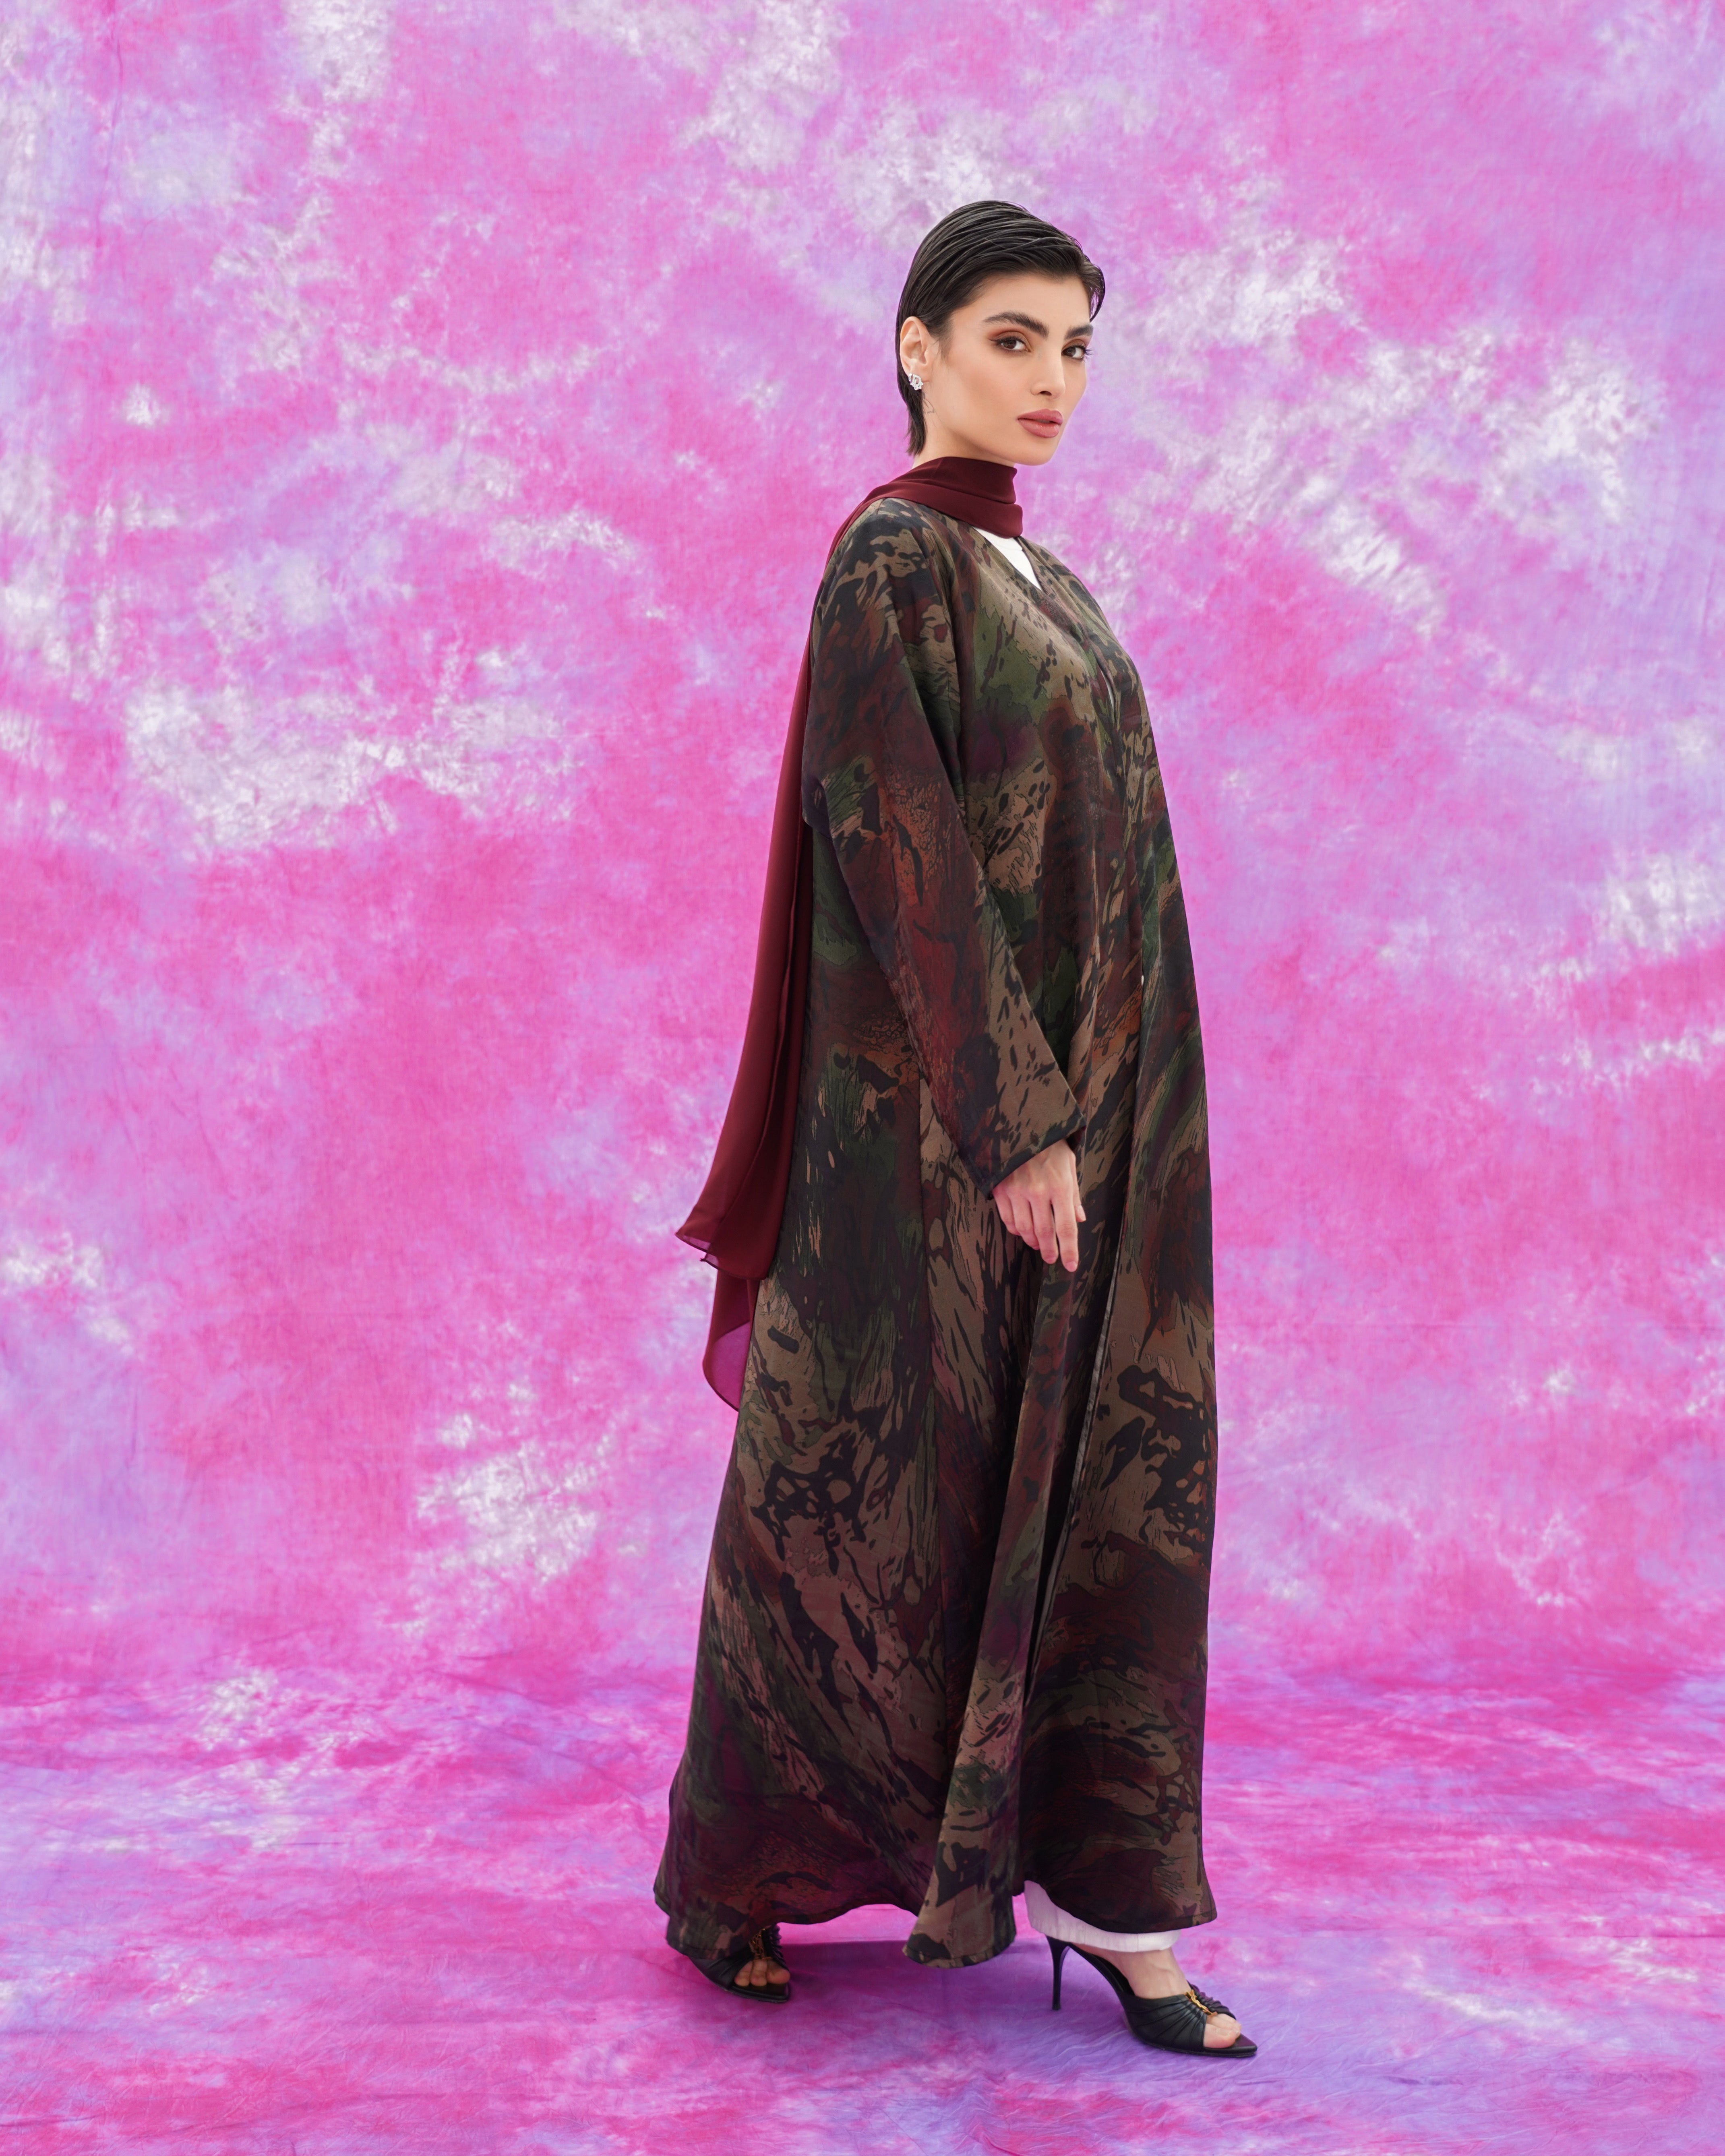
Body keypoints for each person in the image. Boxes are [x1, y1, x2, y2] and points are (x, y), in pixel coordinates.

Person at [654, 201, 1253, 2059]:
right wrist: (1015, 1128)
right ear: (919, 346)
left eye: (1076, 347)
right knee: (862, 1506)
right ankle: (735, 1870)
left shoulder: (1043, 581)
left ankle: (1115, 1901)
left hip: (1107, 1128)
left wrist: (1098, 1124)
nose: (1052, 379)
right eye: (1012, 338)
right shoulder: (891, 560)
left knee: (1094, 1489)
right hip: (925, 1151)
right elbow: (893, 839)